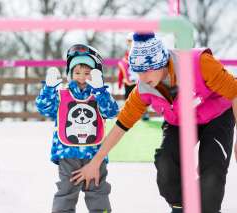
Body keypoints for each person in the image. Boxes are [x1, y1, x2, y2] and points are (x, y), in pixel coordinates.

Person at [70, 33, 237, 213]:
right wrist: (95, 162)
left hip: (217, 117)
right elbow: (121, 125)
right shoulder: (143, 89)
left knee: (212, 174)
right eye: (137, 72)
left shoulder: (199, 63)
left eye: (145, 70)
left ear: (161, 63)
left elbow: (235, 92)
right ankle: (180, 206)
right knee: (165, 165)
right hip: (180, 121)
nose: (141, 78)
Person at [35, 44, 119, 213]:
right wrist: (49, 89)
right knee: (66, 193)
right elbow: (44, 108)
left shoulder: (99, 94)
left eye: (87, 73)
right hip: (68, 154)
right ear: (70, 74)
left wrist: (100, 90)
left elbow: (112, 111)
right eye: (77, 72)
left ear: (95, 74)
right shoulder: (62, 95)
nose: (81, 77)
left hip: (95, 154)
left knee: (98, 192)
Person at [117, 33, 149, 121]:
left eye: (133, 41)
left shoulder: (142, 56)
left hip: (140, 81)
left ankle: (144, 114)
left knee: (142, 98)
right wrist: (120, 83)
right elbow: (121, 71)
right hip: (129, 81)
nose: (131, 44)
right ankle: (128, 114)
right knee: (128, 97)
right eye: (129, 42)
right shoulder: (125, 58)